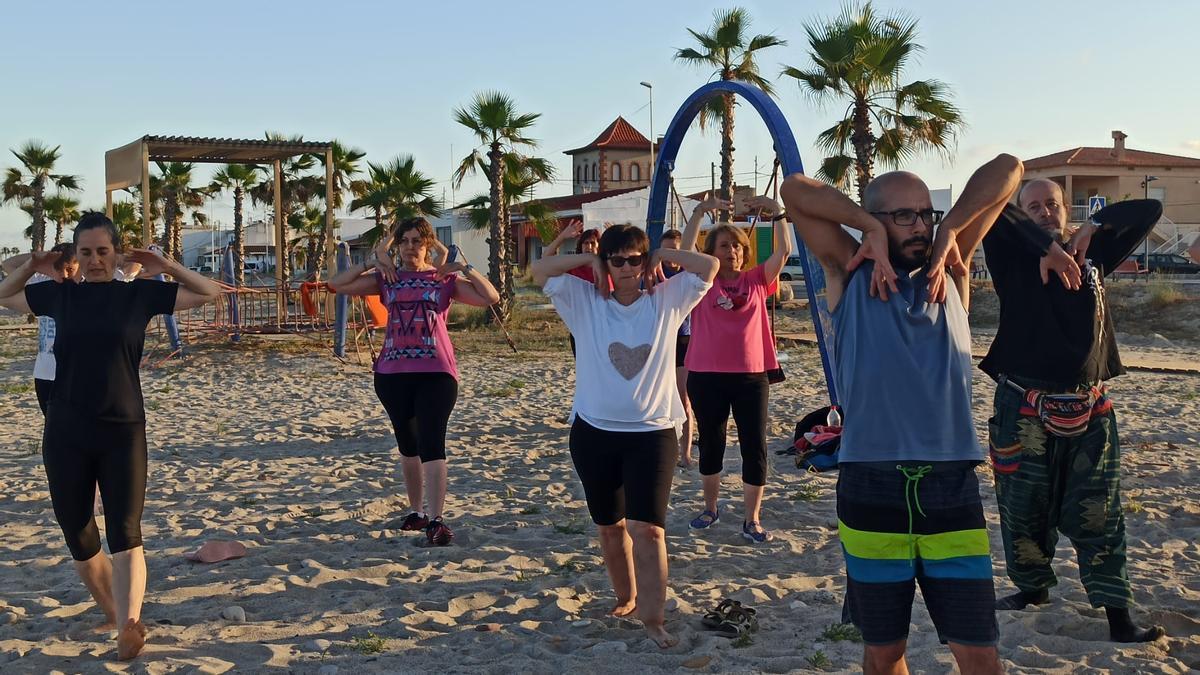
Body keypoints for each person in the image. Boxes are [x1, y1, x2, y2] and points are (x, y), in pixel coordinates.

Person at [780, 154, 1023, 675]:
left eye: (925, 213)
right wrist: (864, 225)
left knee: (979, 653)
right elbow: (794, 189)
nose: (921, 226)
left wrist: (953, 227)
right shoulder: (847, 269)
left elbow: (1009, 167)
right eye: (904, 217)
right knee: (884, 651)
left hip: (951, 484)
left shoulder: (955, 266)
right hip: (871, 483)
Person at [0, 212, 222, 661]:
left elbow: (209, 292)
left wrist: (166, 264)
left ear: (117, 253)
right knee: (78, 532)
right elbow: (4, 294)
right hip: (65, 430)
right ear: (76, 257)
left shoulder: (138, 294)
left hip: (123, 429)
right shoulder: (59, 297)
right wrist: (34, 264)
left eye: (103, 251)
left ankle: (128, 625)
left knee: (125, 530)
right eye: (86, 252)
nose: (96, 260)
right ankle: (113, 610)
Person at [981, 178, 1166, 643]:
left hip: (1090, 405)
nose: (1045, 211)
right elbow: (993, 203)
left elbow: (1148, 210)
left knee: (1101, 513)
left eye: (1053, 205)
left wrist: (1092, 227)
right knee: (1023, 509)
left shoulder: (1096, 257)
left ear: (1066, 211)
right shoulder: (1011, 256)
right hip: (1023, 404)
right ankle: (1032, 590)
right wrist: (1046, 246)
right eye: (1035, 206)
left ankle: (1119, 617)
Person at [531, 224, 717, 648]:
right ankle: (626, 598)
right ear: (608, 263)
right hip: (593, 433)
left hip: (652, 434)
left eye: (635, 259)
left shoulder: (667, 301)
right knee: (610, 528)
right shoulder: (586, 302)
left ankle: (654, 619)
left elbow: (710, 265)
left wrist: (660, 258)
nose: (628, 267)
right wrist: (589, 260)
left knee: (648, 529)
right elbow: (539, 268)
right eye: (619, 259)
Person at [329, 217, 500, 547]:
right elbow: (337, 284)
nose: (410, 247)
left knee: (432, 444)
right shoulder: (386, 279)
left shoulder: (444, 279)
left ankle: (436, 519)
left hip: (436, 373)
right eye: (404, 241)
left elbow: (490, 296)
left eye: (417, 241)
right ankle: (417, 511)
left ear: (428, 244)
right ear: (397, 245)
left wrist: (464, 266)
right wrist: (371, 260)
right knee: (408, 446)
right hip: (392, 375)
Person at [680, 193, 789, 543]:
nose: (733, 252)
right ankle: (710, 508)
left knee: (753, 445)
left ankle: (751, 518)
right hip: (706, 375)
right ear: (711, 252)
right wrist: (700, 212)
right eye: (725, 245)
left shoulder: (757, 279)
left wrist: (777, 212)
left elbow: (783, 252)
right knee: (711, 443)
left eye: (738, 246)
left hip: (751, 377)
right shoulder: (702, 282)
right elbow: (684, 252)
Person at [2, 243, 79, 414]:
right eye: (58, 269)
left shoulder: (84, 287)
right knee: (52, 428)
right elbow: (8, 264)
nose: (64, 275)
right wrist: (39, 258)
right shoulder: (42, 283)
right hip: (45, 372)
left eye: (69, 269)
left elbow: (129, 269)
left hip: (75, 374)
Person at [657, 229, 696, 468]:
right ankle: (664, 448)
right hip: (659, 340)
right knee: (659, 398)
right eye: (666, 249)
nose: (671, 254)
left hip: (684, 338)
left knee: (683, 399)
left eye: (675, 249)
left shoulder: (688, 273)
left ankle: (686, 453)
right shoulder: (650, 272)